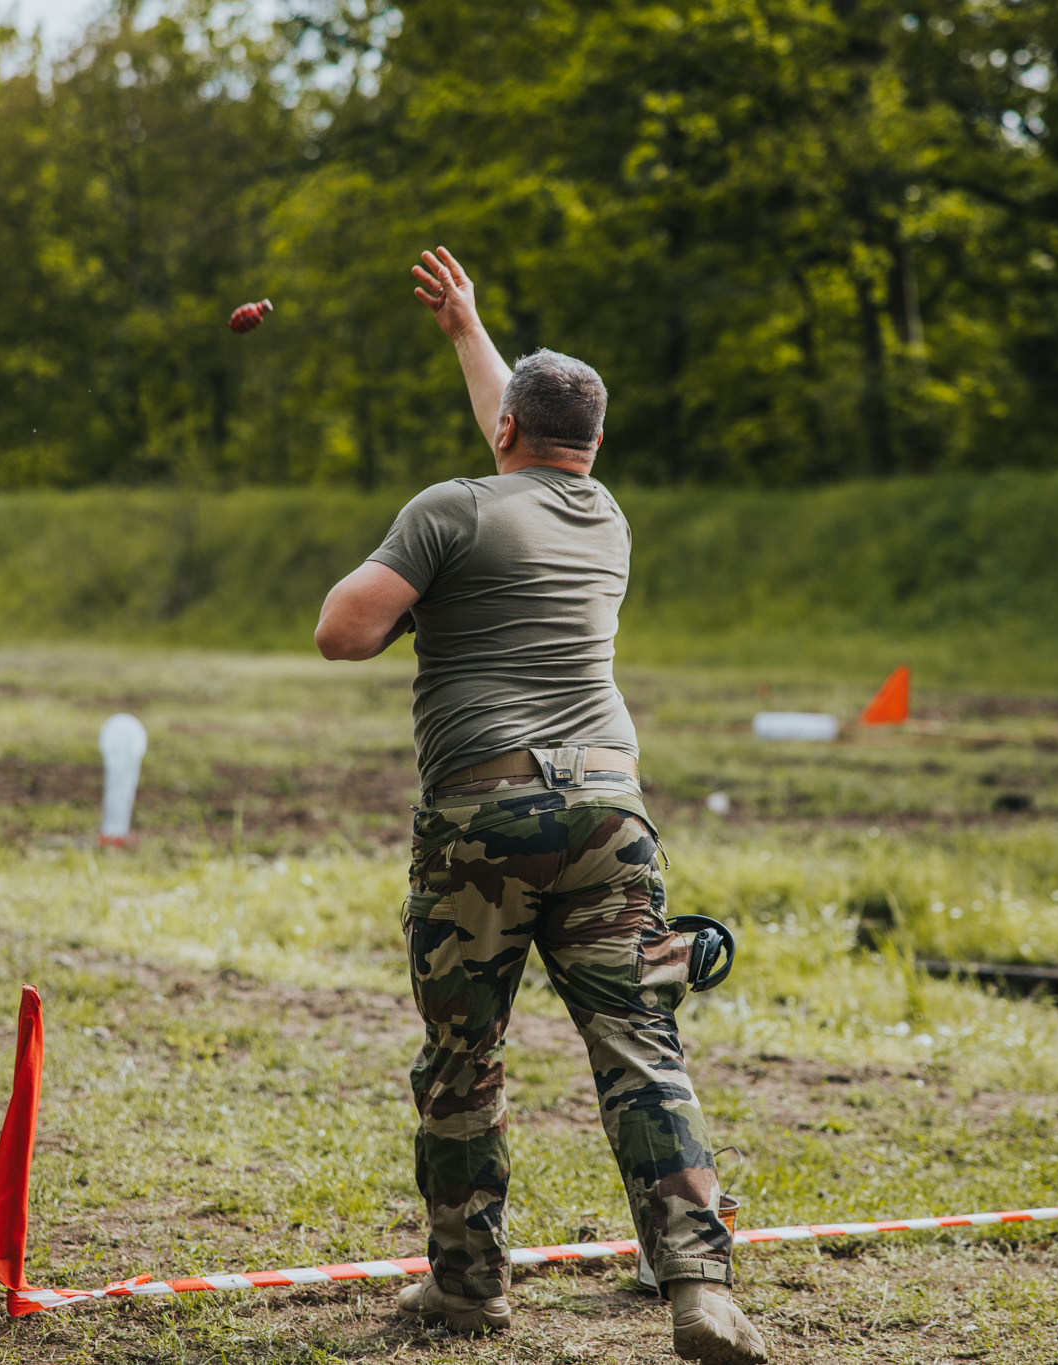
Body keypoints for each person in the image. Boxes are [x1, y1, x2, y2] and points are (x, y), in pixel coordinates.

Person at [314, 247, 769, 1365]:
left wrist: (414, 587)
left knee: (463, 1058)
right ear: (592, 444)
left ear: (505, 431)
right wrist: (470, 331)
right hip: (610, 812)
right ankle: (700, 1290)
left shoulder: (450, 511)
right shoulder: (602, 515)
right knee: (641, 1045)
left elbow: (342, 632)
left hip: (486, 816)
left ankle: (469, 1291)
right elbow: (519, 434)